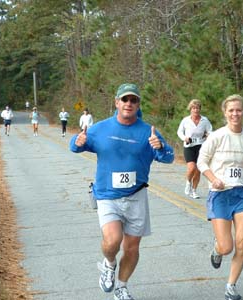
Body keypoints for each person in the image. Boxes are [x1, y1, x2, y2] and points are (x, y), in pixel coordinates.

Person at [70, 83, 174, 300]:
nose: (129, 103)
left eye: (133, 100)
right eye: (124, 99)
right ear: (116, 102)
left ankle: (121, 287)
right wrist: (77, 141)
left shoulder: (148, 132)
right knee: (112, 240)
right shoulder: (100, 128)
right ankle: (109, 264)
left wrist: (160, 147)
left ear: (138, 104)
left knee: (132, 247)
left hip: (136, 195)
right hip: (107, 195)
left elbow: (169, 157)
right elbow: (76, 145)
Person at [197, 94, 243, 300]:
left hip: (241, 194)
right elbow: (201, 162)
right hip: (220, 194)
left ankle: (231, 286)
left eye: (238, 110)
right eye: (231, 110)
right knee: (226, 247)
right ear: (225, 113)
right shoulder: (217, 136)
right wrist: (213, 179)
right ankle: (217, 248)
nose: (235, 114)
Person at [177, 99, 212, 199]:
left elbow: (210, 131)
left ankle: (194, 190)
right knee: (192, 167)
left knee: (198, 170)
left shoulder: (204, 120)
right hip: (189, 146)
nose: (195, 110)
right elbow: (179, 132)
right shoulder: (185, 120)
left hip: (201, 146)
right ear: (190, 109)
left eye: (197, 108)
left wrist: (208, 135)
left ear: (200, 109)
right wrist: (185, 138)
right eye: (193, 108)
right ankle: (188, 183)